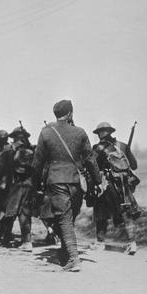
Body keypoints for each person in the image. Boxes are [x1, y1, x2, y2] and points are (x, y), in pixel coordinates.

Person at [32, 99, 101, 272]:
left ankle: (73, 258)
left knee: (64, 218)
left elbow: (37, 162)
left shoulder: (46, 133)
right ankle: (67, 253)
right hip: (76, 181)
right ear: (70, 113)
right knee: (69, 217)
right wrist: (98, 181)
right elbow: (90, 159)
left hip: (56, 180)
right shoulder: (80, 132)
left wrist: (36, 184)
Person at [91, 122, 141, 254]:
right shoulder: (123, 146)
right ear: (110, 132)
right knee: (127, 212)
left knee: (101, 212)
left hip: (106, 185)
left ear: (100, 133)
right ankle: (132, 244)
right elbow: (134, 166)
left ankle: (100, 242)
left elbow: (93, 166)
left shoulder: (97, 148)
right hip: (123, 184)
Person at [0, 125, 35, 251]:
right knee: (24, 212)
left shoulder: (9, 150)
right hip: (29, 184)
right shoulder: (32, 150)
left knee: (9, 212)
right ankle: (27, 241)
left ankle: (4, 237)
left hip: (14, 185)